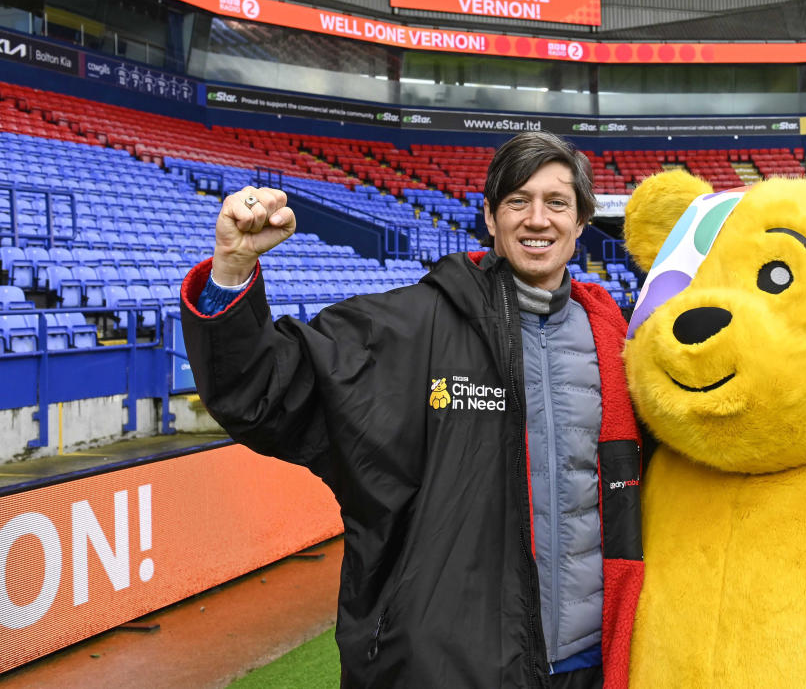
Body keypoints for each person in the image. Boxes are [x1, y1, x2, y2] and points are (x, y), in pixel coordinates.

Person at [180, 131, 643, 689]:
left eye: (557, 202)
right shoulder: (414, 326)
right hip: (454, 668)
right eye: (518, 201)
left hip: (591, 664)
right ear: (492, 221)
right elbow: (262, 392)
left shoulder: (619, 345)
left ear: (581, 221)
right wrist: (231, 269)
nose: (537, 219)